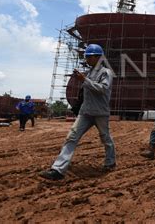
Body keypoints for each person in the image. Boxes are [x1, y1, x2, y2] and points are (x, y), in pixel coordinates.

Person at [40, 44, 116, 180]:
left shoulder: (106, 72)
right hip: (85, 112)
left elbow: (103, 89)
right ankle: (58, 170)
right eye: (86, 57)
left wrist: (84, 80)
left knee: (106, 138)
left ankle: (110, 162)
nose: (86, 59)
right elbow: (85, 91)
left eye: (89, 57)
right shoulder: (90, 72)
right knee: (71, 137)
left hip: (100, 113)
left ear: (98, 57)